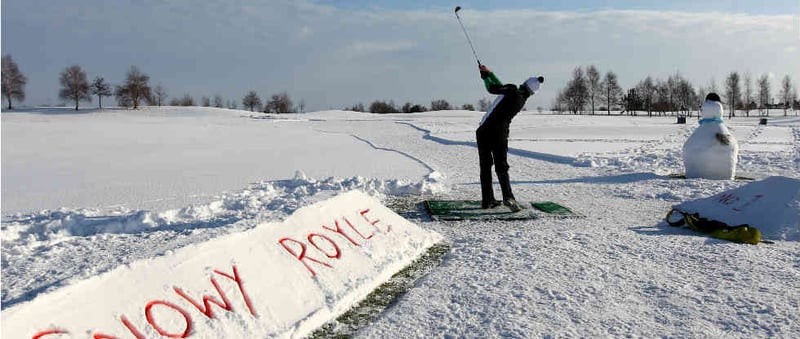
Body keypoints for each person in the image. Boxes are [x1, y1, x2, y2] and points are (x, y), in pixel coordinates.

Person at [476, 64, 543, 211]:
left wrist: (486, 77)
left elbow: (493, 89)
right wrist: (489, 74)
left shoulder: (512, 90)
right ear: (531, 93)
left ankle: (487, 200)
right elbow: (500, 87)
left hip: (484, 131)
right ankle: (508, 197)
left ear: (524, 83)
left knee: (486, 166)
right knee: (501, 166)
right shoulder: (520, 99)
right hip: (500, 133)